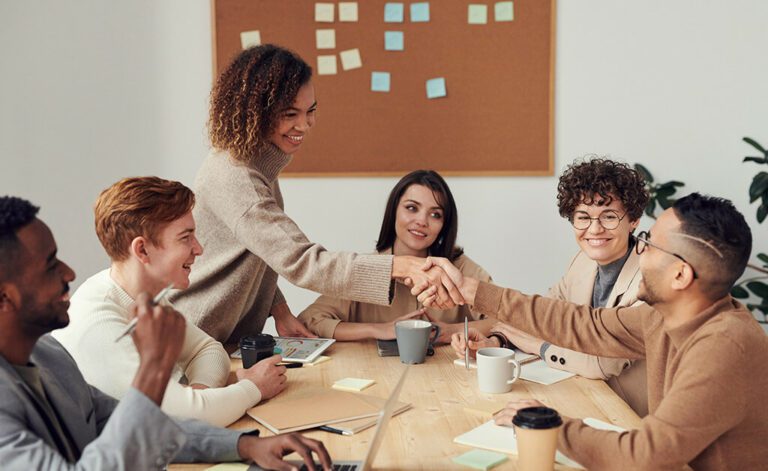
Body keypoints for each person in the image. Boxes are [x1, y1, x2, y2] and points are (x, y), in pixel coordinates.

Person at [420, 193, 768, 469]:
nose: (639, 249)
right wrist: (474, 291)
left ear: (680, 275)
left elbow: (644, 456)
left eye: (648, 242)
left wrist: (551, 425)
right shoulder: (663, 318)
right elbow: (583, 324)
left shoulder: (724, 346)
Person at [0, 196, 331, 470]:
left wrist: (245, 445)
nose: (69, 272)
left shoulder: (48, 355)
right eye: (50, 264)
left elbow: (138, 426)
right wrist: (155, 367)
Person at [170, 44, 462, 344]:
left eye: (310, 111)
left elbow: (261, 251)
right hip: (194, 338)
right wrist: (399, 266)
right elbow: (302, 261)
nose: (304, 125)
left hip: (222, 340)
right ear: (255, 113)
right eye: (290, 114)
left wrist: (279, 310)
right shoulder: (238, 177)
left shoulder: (256, 165)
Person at [53, 177, 286, 427]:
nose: (198, 249)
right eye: (185, 238)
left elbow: (207, 350)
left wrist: (198, 396)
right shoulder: (99, 324)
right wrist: (252, 388)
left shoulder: (143, 295)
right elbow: (183, 420)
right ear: (142, 250)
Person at [452, 158, 650, 415]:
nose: (595, 229)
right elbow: (542, 316)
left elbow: (602, 364)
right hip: (584, 397)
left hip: (630, 415)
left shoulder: (649, 278)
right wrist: (497, 340)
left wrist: (540, 347)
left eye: (609, 216)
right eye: (583, 217)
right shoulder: (582, 262)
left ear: (633, 220)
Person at [298, 170, 494, 342]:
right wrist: (379, 329)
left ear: (445, 225)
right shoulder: (367, 269)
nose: (422, 221)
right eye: (411, 208)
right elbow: (310, 320)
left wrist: (452, 330)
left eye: (435, 215)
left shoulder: (460, 268)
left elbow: (508, 320)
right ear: (394, 212)